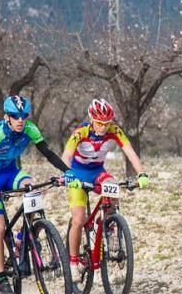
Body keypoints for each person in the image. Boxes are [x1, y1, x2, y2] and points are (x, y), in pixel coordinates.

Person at [0, 95, 74, 284]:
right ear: (7, 117)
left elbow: (48, 153)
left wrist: (68, 172)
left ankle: (22, 237)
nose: (20, 120)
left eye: (23, 116)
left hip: (11, 172)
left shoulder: (30, 129)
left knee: (32, 189)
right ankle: (1, 276)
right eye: (15, 116)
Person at [62, 98, 149, 280]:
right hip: (78, 174)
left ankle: (109, 227)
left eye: (107, 123)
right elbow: (67, 155)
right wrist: (67, 175)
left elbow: (129, 151)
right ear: (92, 119)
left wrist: (141, 174)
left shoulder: (114, 131)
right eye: (100, 123)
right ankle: (72, 262)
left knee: (113, 186)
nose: (103, 127)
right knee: (78, 220)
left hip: (97, 172)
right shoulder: (81, 132)